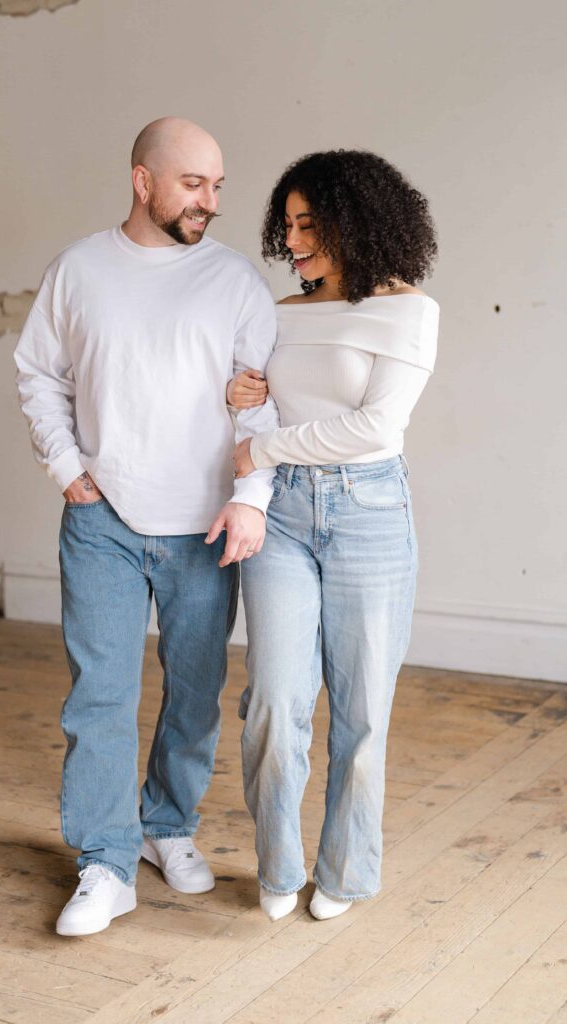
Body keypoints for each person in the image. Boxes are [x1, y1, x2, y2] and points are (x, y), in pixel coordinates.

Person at [14, 117, 279, 937]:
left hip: (204, 524)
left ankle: (166, 828)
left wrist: (253, 500)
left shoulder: (235, 282)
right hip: (104, 521)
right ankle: (105, 863)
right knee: (99, 696)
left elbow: (263, 401)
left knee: (195, 695)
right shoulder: (79, 271)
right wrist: (68, 471)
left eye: (217, 187)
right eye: (193, 183)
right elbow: (37, 376)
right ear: (142, 181)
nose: (210, 201)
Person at [228, 149, 439, 922]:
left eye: (309, 223)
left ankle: (345, 873)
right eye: (286, 226)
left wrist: (264, 445)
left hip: (369, 514)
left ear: (358, 221)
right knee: (273, 702)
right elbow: (254, 403)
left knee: (361, 713)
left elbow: (373, 426)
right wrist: (237, 395)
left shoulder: (409, 312)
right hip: (278, 515)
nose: (294, 240)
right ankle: (278, 864)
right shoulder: (280, 314)